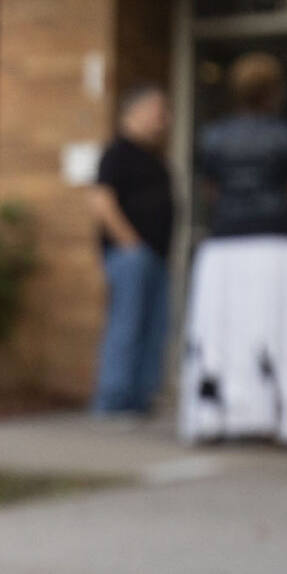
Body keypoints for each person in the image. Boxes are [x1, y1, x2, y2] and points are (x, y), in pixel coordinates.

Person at [180, 51, 287, 448]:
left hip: (225, 242)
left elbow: (211, 190)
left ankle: (214, 417)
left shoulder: (214, 135)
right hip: (276, 240)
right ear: (274, 90)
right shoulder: (286, 133)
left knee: (222, 334)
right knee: (283, 331)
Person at [87, 85, 175, 417]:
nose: (164, 118)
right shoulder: (117, 153)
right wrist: (131, 244)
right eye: (158, 110)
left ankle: (139, 399)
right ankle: (113, 400)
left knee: (154, 328)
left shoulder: (155, 157)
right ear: (133, 111)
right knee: (126, 326)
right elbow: (100, 200)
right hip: (131, 257)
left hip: (157, 257)